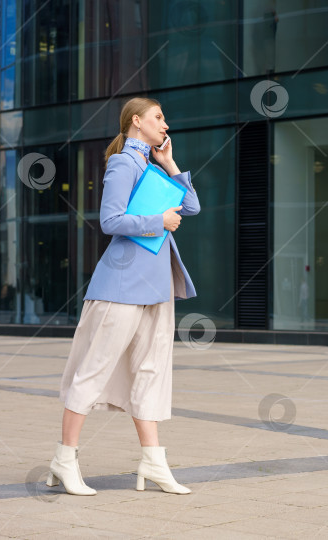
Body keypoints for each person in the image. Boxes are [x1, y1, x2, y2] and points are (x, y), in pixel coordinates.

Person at [47, 97, 200, 496]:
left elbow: (193, 206)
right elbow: (110, 220)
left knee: (150, 375)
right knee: (93, 371)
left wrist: (169, 163)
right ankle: (64, 460)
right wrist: (158, 221)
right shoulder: (123, 164)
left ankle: (153, 463)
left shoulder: (151, 167)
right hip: (122, 287)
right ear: (137, 121)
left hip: (156, 288)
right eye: (158, 117)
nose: (165, 124)